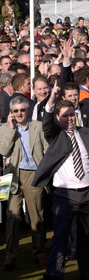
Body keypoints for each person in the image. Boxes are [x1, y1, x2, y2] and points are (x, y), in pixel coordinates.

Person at [32, 81, 89, 280]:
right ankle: (54, 275)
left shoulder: (87, 133)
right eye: (65, 116)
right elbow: (47, 122)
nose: (70, 119)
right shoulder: (55, 134)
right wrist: (51, 100)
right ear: (59, 118)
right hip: (64, 195)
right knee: (60, 237)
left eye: (72, 115)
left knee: (86, 237)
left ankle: (86, 271)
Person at [0, 96, 48, 270]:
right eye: (16, 111)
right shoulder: (4, 128)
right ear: (11, 112)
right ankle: (10, 255)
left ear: (27, 110)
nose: (19, 113)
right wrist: (11, 129)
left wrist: (44, 171)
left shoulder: (38, 126)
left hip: (34, 174)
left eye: (22, 110)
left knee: (37, 215)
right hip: (11, 176)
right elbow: (3, 150)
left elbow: (47, 149)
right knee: (12, 217)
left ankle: (39, 252)